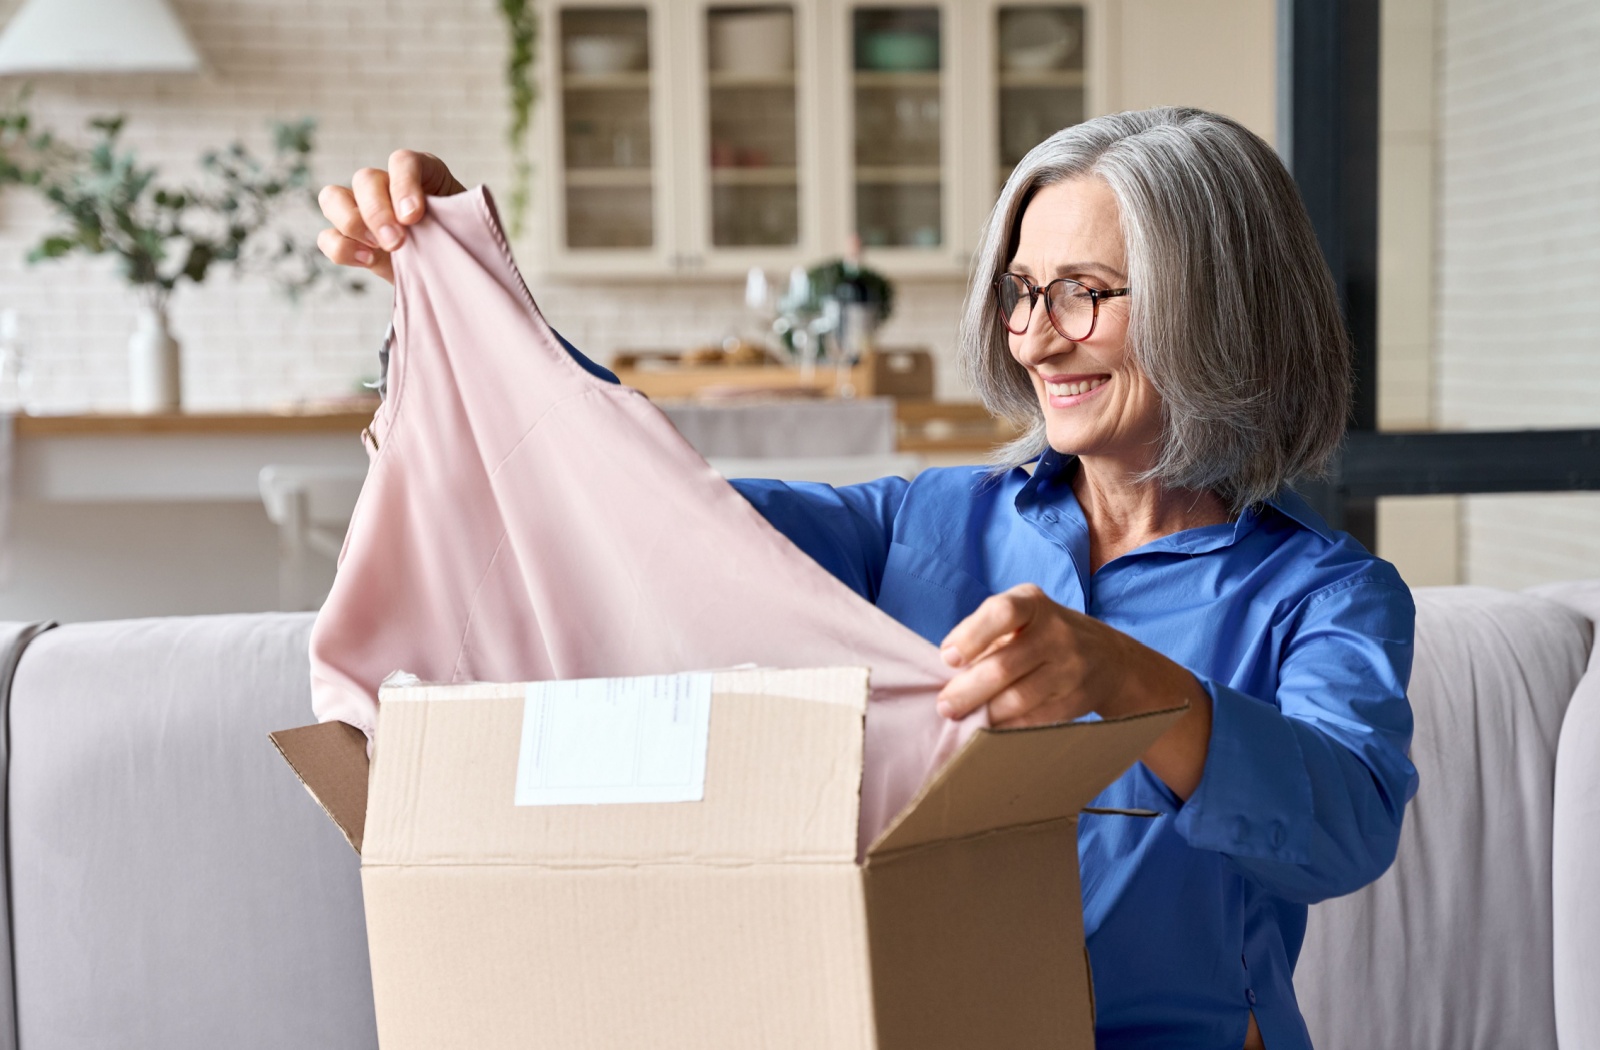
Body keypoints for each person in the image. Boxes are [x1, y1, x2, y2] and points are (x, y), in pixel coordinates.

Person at [318, 107, 1417, 1050]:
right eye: (1020, 292)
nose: (1036, 338)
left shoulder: (1323, 597)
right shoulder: (916, 528)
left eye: (1082, 292)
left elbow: (1346, 828)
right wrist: (476, 296)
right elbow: (646, 509)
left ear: (1217, 306)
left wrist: (1125, 684)